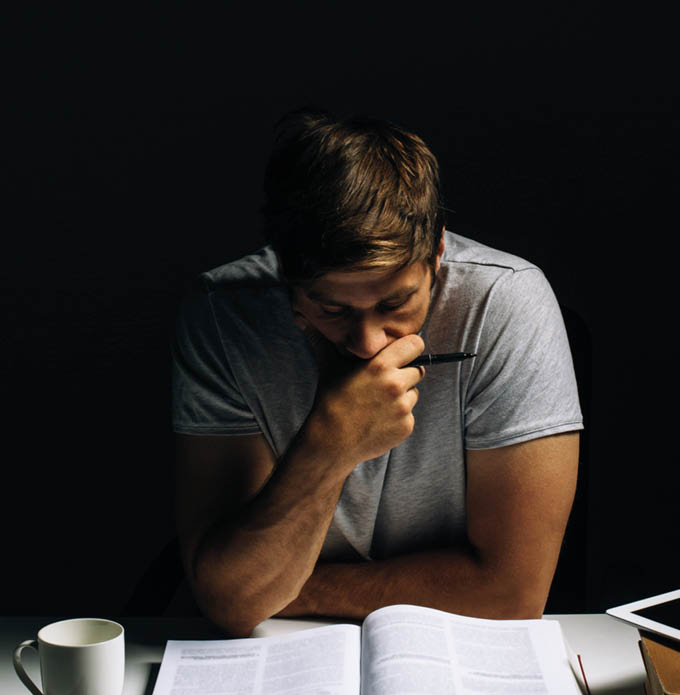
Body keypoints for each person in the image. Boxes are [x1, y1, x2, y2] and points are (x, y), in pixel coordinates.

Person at [171, 109, 583, 636]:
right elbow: (231, 600)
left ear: (435, 256)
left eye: (395, 303)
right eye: (332, 309)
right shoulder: (220, 315)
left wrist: (287, 590)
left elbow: (510, 592)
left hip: (460, 649)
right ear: (287, 280)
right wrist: (330, 445)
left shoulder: (504, 303)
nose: (368, 344)